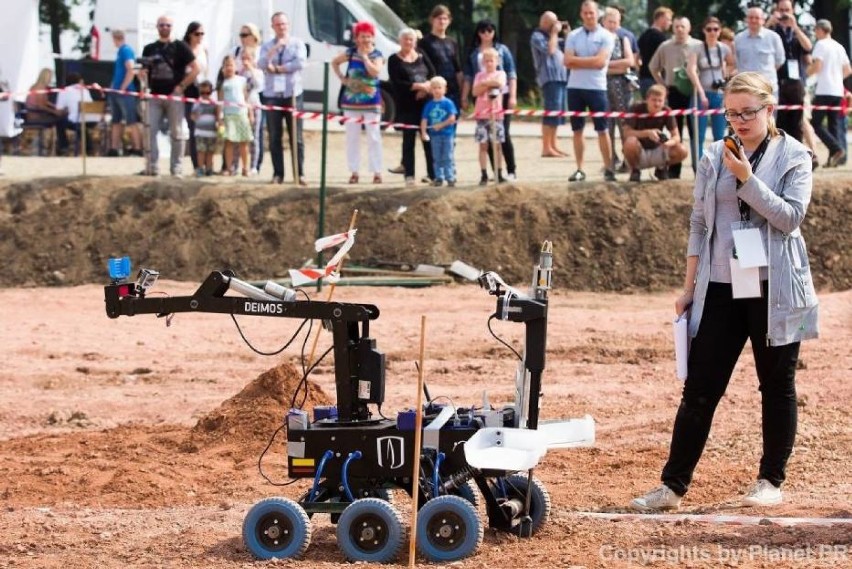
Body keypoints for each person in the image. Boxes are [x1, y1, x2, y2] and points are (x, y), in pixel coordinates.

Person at [631, 72, 818, 512]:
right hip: (721, 283)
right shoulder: (713, 154)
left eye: (748, 112)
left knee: (777, 385)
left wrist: (748, 179)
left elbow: (790, 218)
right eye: (732, 113)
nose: (740, 120)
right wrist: (688, 287)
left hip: (778, 287)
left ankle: (771, 480)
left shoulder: (796, 155)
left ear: (769, 109)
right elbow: (699, 223)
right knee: (699, 387)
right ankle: (672, 487)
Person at [564, 0, 616, 182]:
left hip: (597, 87)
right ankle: (579, 169)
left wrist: (578, 61)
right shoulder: (573, 35)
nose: (588, 16)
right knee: (577, 130)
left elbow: (600, 62)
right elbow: (567, 61)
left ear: (597, 14)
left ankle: (609, 168)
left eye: (591, 13)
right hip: (575, 87)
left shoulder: (607, 36)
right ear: (581, 14)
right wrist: (589, 61)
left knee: (602, 130)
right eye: (585, 13)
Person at [140, 15, 199, 177]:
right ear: (157, 27)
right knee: (149, 130)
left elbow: (196, 68)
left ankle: (177, 168)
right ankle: (152, 166)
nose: (164, 27)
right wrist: (142, 74)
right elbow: (143, 70)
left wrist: (181, 86)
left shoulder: (180, 46)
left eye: (167, 25)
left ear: (172, 27)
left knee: (178, 132)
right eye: (161, 25)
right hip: (154, 95)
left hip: (174, 97)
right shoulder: (149, 48)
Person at [462, 19, 518, 181]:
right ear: (478, 33)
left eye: (490, 30)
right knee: (486, 138)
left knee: (503, 134)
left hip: (502, 95)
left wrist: (513, 95)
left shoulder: (502, 50)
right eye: (483, 31)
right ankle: (496, 172)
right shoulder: (473, 53)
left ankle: (511, 170)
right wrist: (464, 96)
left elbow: (511, 73)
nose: (487, 34)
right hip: (480, 96)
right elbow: (468, 76)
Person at [649, 15, 702, 178]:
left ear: (689, 28)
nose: (679, 29)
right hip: (673, 91)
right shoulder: (665, 46)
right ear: (673, 28)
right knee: (675, 131)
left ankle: (698, 169)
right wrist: (663, 85)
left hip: (693, 92)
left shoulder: (698, 45)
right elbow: (653, 67)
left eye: (683, 26)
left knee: (696, 131)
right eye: (677, 26)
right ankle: (674, 168)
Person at [332, 20, 384, 184]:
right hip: (351, 101)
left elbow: (375, 71)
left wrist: (365, 58)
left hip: (372, 101)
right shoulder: (350, 52)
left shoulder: (377, 55)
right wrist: (342, 78)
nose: (366, 40)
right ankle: (354, 171)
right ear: (357, 38)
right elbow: (335, 62)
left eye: (368, 36)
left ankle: (376, 171)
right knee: (352, 137)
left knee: (373, 136)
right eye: (363, 36)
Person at [259, 12, 307, 185]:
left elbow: (300, 63)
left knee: (297, 136)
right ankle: (278, 173)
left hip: (292, 94)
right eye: (278, 25)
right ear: (273, 27)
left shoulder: (297, 43)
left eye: (284, 24)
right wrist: (274, 49)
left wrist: (279, 69)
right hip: (272, 95)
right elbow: (262, 64)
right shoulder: (266, 46)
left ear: (288, 25)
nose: (281, 27)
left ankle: (299, 173)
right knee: (274, 137)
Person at [388, 27, 436, 186]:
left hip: (425, 103)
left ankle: (432, 174)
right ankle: (409, 174)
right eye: (406, 39)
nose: (409, 42)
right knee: (408, 141)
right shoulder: (393, 59)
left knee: (427, 139)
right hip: (406, 104)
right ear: (400, 41)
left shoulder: (422, 55)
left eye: (411, 39)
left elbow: (432, 74)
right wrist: (417, 86)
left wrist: (426, 87)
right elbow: (396, 83)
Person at [687, 17, 734, 160]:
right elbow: (691, 69)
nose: (712, 32)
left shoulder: (724, 48)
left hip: (719, 93)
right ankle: (699, 168)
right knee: (699, 135)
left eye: (715, 29)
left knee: (719, 135)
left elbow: (733, 64)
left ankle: (718, 166)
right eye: (709, 29)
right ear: (704, 31)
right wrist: (701, 92)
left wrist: (726, 78)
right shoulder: (697, 48)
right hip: (701, 94)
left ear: (720, 31)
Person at [765, 1, 811, 145]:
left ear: (792, 11)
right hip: (778, 81)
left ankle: (797, 156)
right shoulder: (771, 31)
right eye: (781, 10)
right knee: (779, 122)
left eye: (787, 10)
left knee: (797, 123)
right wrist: (769, 23)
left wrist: (795, 27)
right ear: (776, 10)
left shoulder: (798, 30)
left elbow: (808, 47)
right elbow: (760, 40)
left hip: (796, 83)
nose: (784, 13)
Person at [807, 19, 851, 168]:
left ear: (820, 30)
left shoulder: (820, 44)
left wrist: (805, 75)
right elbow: (848, 70)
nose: (815, 33)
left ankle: (837, 149)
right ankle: (834, 159)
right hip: (837, 91)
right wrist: (837, 78)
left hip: (824, 90)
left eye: (815, 30)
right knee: (834, 125)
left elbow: (817, 66)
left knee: (815, 123)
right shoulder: (839, 46)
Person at [622, 84, 687, 182]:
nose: (657, 104)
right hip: (639, 151)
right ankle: (635, 170)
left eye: (660, 100)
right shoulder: (636, 108)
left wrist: (668, 143)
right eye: (654, 100)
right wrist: (647, 133)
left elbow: (676, 136)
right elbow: (626, 133)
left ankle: (661, 169)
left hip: (658, 149)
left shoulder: (666, 111)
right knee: (630, 142)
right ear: (647, 99)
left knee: (682, 150)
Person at [530, 11, 569, 158]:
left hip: (560, 77)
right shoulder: (537, 36)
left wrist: (566, 33)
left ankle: (553, 145)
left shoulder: (554, 37)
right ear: (545, 22)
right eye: (553, 23)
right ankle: (546, 147)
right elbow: (551, 50)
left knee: (557, 114)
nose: (556, 25)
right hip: (549, 78)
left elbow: (569, 47)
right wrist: (554, 33)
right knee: (550, 112)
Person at [603, 6, 636, 173]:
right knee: (606, 126)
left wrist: (605, 65)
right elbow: (595, 67)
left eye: (615, 22)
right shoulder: (599, 40)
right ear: (603, 22)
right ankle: (609, 160)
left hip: (622, 88)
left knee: (625, 125)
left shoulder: (623, 39)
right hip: (602, 87)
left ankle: (627, 161)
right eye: (609, 21)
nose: (612, 25)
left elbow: (629, 63)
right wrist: (614, 66)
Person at [472, 47, 507, 185]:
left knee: (497, 145)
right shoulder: (479, 75)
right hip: (482, 114)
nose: (488, 64)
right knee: (483, 145)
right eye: (486, 61)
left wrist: (484, 84)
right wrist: (486, 84)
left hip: (496, 114)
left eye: (491, 61)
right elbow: (475, 92)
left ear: (496, 61)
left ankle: (498, 171)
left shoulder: (501, 73)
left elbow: (499, 84)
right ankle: (483, 173)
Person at [418, 5, 463, 111]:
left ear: (449, 21)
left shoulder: (452, 42)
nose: (442, 22)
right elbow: (421, 68)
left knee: (452, 122)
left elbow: (458, 68)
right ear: (432, 20)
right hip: (433, 90)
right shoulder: (424, 42)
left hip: (452, 89)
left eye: (445, 19)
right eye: (439, 18)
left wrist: (462, 92)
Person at [734, 7, 784, 100]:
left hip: (768, 89)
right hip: (746, 89)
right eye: (750, 17)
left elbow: (780, 61)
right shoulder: (738, 39)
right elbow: (736, 62)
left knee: (769, 115)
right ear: (746, 19)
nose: (753, 20)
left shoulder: (774, 37)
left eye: (757, 18)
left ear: (763, 20)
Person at [107, 29, 142, 157]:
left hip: (125, 93)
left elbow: (131, 69)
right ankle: (114, 148)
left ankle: (137, 148)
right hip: (117, 91)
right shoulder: (121, 51)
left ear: (115, 38)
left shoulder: (125, 50)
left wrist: (123, 87)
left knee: (131, 121)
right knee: (116, 120)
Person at [219, 55, 253, 176]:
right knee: (229, 143)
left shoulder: (242, 80)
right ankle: (229, 168)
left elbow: (246, 98)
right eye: (226, 65)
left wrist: (250, 114)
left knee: (244, 143)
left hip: (241, 114)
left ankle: (245, 168)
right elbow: (220, 102)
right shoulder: (223, 83)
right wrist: (220, 118)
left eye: (231, 65)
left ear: (236, 67)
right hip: (229, 116)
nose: (229, 68)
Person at [420, 76, 458, 186]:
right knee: (436, 157)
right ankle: (438, 177)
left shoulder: (448, 103)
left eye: (439, 88)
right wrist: (424, 132)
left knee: (447, 156)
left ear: (444, 89)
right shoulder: (429, 105)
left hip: (447, 134)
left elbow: (452, 118)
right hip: (434, 136)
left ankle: (450, 177)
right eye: (434, 88)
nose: (437, 90)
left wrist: (441, 125)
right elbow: (424, 119)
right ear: (431, 90)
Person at [182, 22, 208, 172]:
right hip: (190, 92)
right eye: (197, 34)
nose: (200, 37)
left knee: (206, 129)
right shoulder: (185, 50)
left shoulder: (204, 49)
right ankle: (196, 165)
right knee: (194, 130)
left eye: (202, 34)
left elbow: (205, 71)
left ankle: (206, 164)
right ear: (190, 34)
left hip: (203, 92)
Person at [24, 68, 69, 155]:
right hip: (36, 116)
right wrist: (55, 111)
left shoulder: (36, 86)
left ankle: (62, 145)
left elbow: (45, 103)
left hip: (34, 114)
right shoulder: (40, 88)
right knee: (60, 120)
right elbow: (41, 106)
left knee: (59, 118)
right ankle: (63, 146)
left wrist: (55, 108)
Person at [238, 35, 265, 176]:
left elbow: (259, 86)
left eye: (248, 58)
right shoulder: (239, 74)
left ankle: (254, 166)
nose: (245, 61)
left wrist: (252, 70)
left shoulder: (258, 72)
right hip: (241, 108)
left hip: (254, 106)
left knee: (254, 138)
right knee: (240, 137)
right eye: (243, 59)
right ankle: (239, 165)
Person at [55, 72, 96, 155]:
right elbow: (91, 105)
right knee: (81, 125)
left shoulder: (64, 91)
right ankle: (89, 148)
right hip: (92, 120)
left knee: (59, 121)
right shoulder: (85, 90)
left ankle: (64, 146)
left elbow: (59, 110)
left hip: (77, 121)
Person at [637, 7, 673, 97]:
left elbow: (637, 58)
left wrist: (640, 71)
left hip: (643, 79)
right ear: (660, 18)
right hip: (657, 80)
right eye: (668, 19)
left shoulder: (643, 35)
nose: (670, 23)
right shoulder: (661, 39)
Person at [190, 80, 220, 176]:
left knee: (210, 152)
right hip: (200, 132)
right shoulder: (197, 103)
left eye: (207, 93)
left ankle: (209, 168)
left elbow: (217, 116)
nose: (205, 95)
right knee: (201, 151)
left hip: (211, 132)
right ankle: (200, 169)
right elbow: (192, 115)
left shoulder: (214, 103)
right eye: (202, 93)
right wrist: (196, 116)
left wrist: (219, 123)